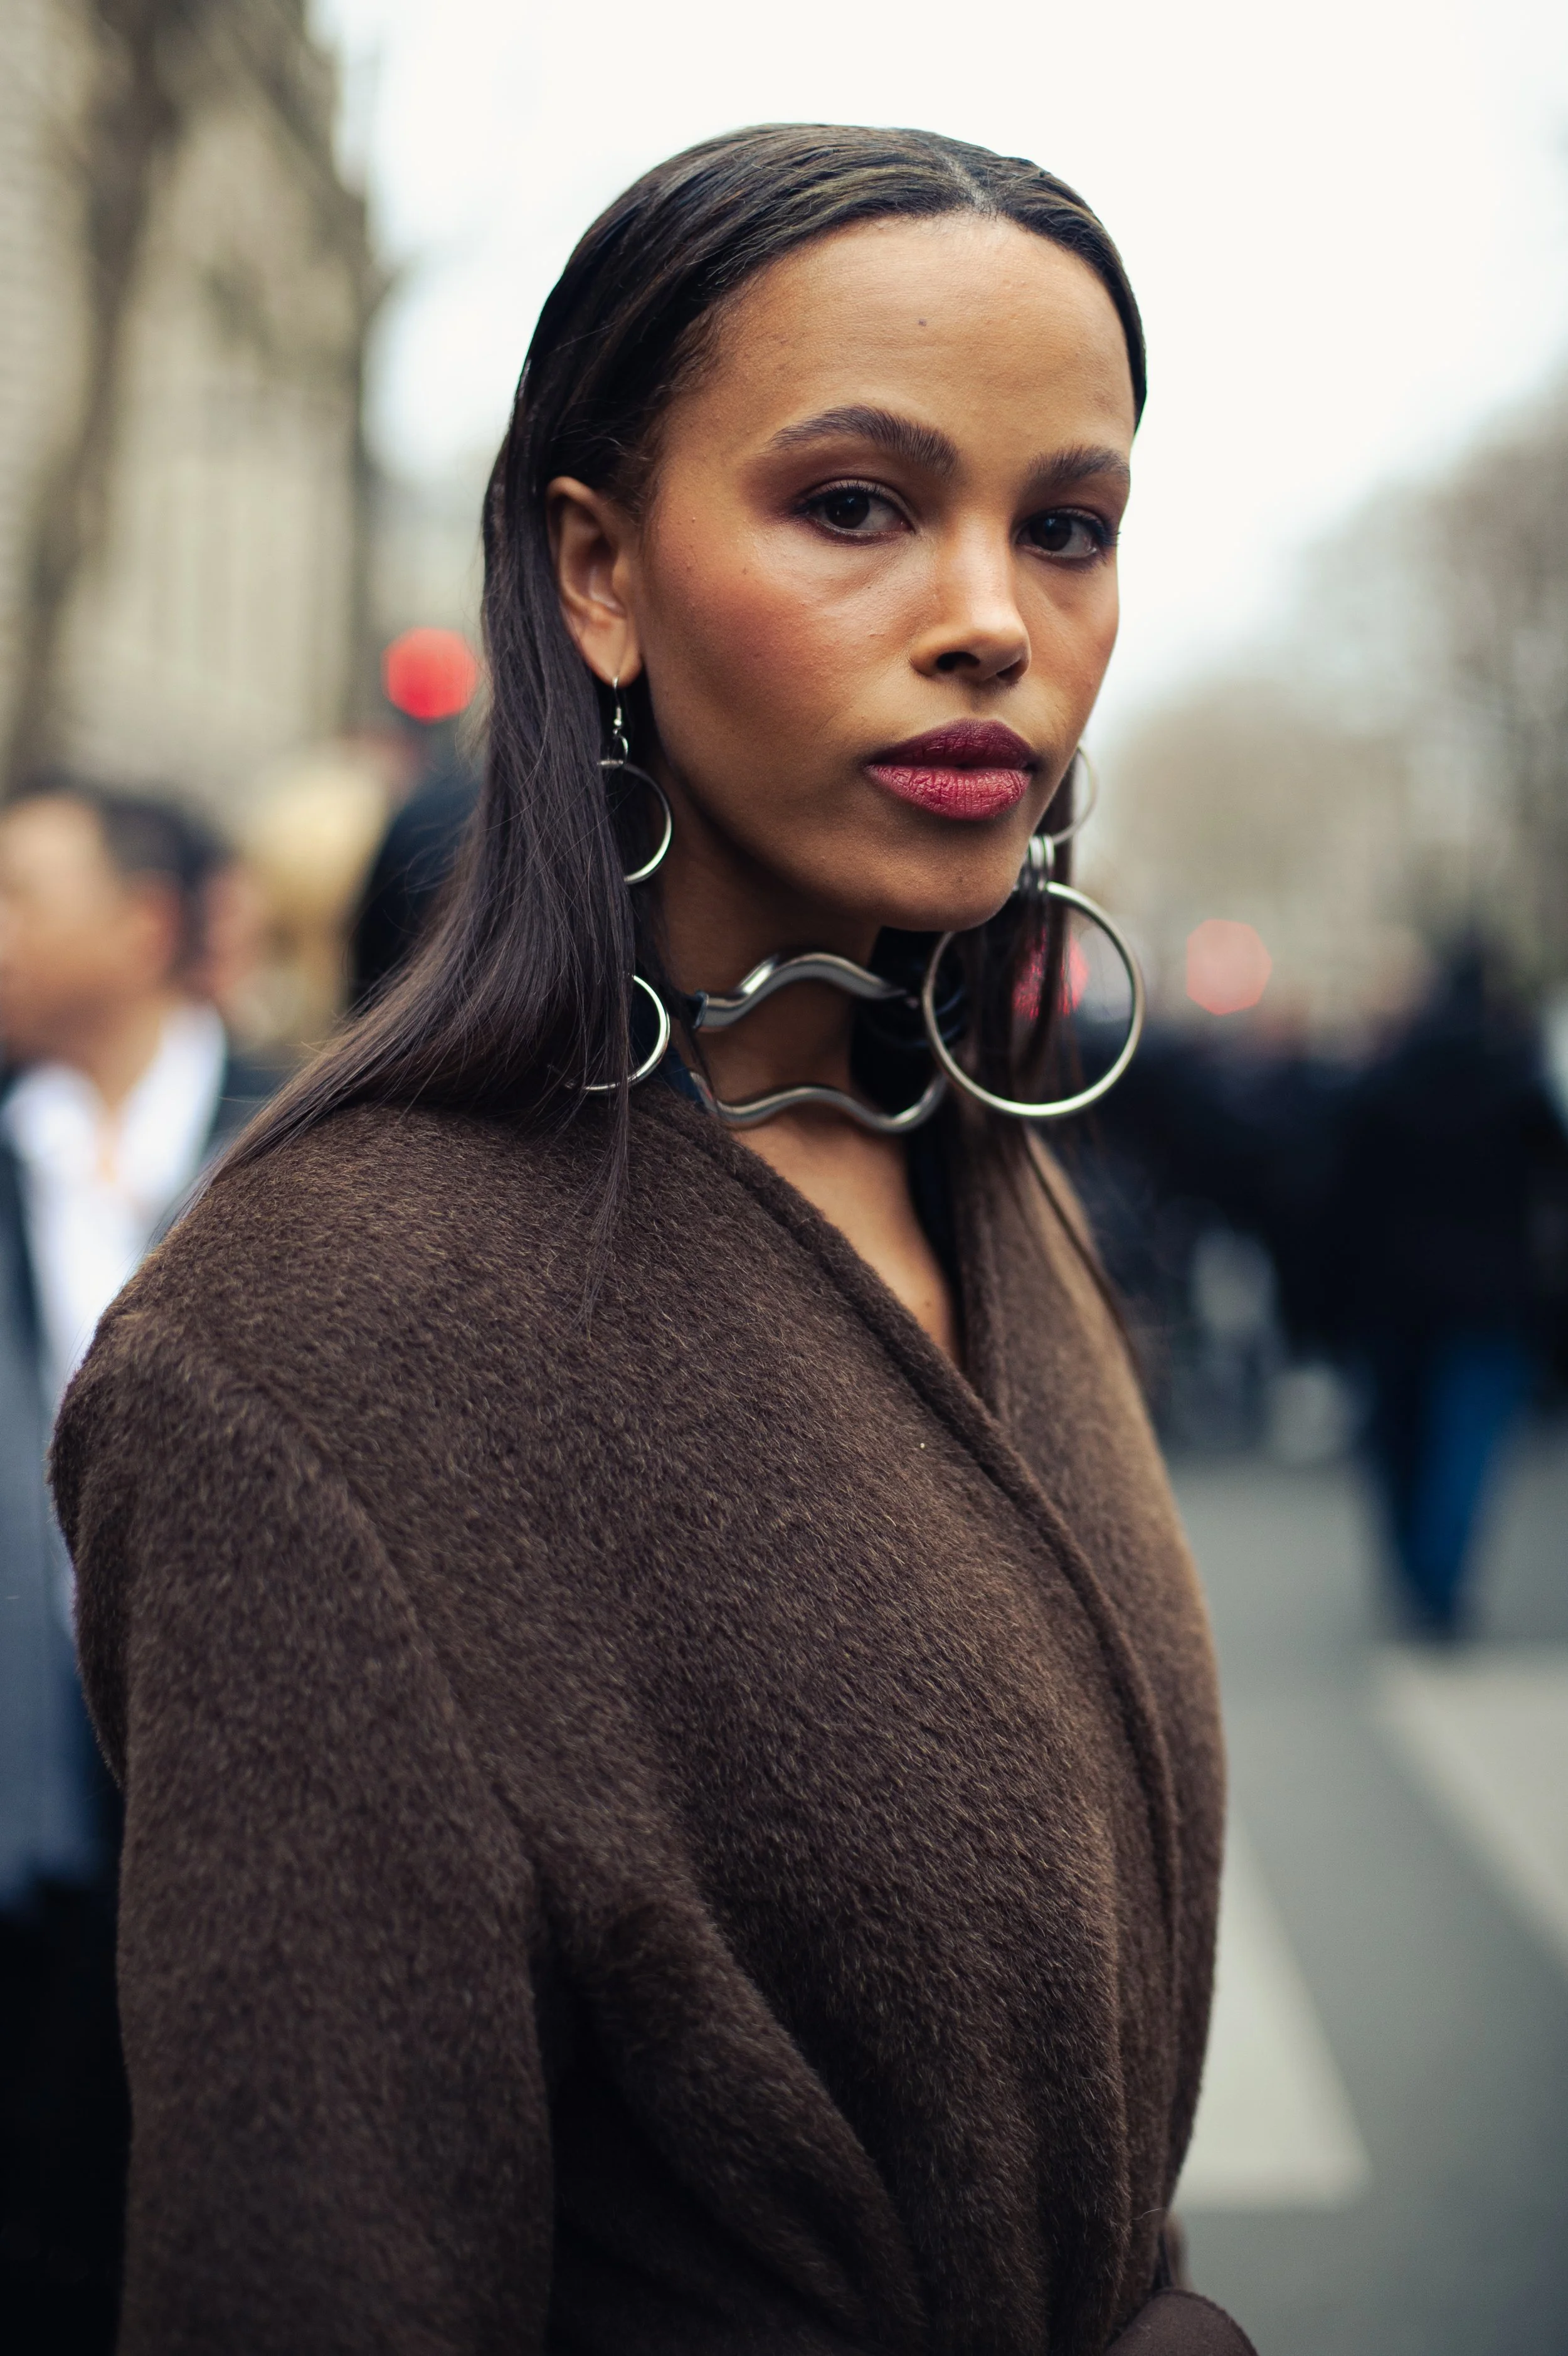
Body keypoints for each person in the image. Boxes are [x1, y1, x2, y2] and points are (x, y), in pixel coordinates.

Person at [52, 129, 1250, 2356]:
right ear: (595, 569)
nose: (996, 612)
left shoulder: (985, 1169)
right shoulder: (315, 1342)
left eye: (1065, 526)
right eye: (856, 504)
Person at [0, 777, 274, 2349]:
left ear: (147, 924)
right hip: (31, 1829)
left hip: (241, 1806)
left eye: (26, 891)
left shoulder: (304, 1146)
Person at [1328, 944, 1568, 1637]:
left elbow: (1341, 1198)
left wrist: (1326, 1302)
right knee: (1466, 1444)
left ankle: (1414, 1571)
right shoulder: (1514, 1080)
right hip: (1489, 1296)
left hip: (1390, 1295)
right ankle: (1439, 1580)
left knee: (1398, 1441)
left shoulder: (1383, 1080)